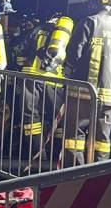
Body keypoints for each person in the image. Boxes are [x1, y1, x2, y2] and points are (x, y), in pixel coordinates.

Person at [62, 0, 111, 165]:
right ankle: (98, 176)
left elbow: (72, 56)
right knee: (102, 141)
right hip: (110, 98)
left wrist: (65, 80)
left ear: (95, 2)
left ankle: (74, 176)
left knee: (74, 138)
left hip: (82, 93)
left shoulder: (90, 22)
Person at [17, 11, 74, 164]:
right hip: (55, 82)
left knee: (31, 120)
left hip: (31, 79)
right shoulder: (68, 34)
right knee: (57, 120)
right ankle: (56, 156)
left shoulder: (37, 29)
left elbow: (21, 51)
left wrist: (20, 67)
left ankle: (36, 156)